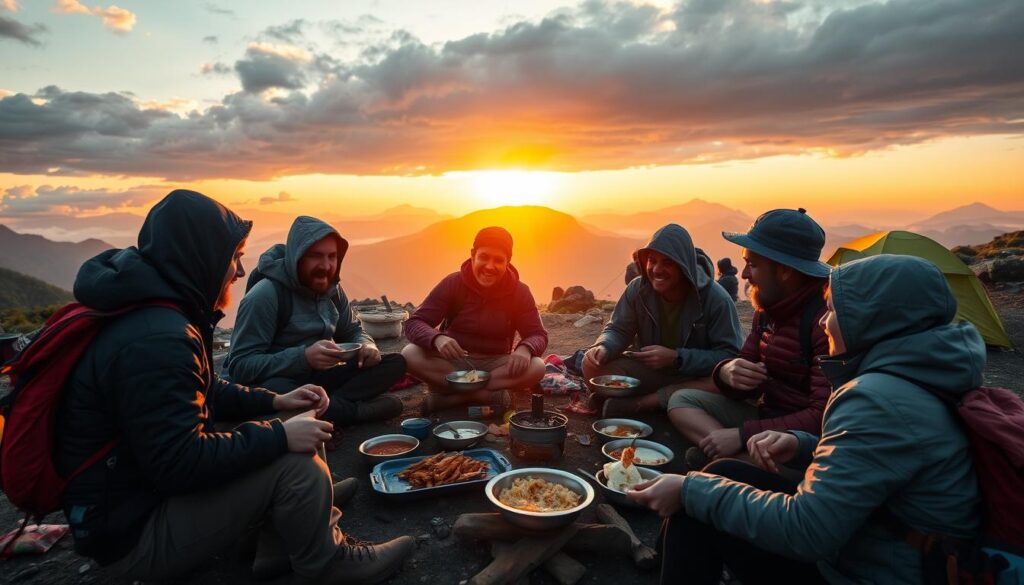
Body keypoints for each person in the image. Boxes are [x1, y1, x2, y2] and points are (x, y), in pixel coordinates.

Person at [56, 191, 414, 584]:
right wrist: (279, 433)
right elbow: (180, 463)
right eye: (234, 257)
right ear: (200, 256)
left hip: (143, 496)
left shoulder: (157, 315)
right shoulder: (157, 337)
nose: (240, 271)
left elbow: (206, 390)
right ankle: (328, 560)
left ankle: (281, 542)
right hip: (133, 535)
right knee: (296, 465)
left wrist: (278, 400)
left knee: (296, 412)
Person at [628, 254, 983, 584]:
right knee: (724, 473)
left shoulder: (877, 398)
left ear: (869, 319)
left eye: (833, 311)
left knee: (696, 505)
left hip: (869, 570)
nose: (824, 321)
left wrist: (689, 491)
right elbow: (878, 462)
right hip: (876, 541)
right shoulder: (921, 371)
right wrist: (803, 446)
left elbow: (807, 531)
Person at [670, 209, 831, 469]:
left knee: (728, 467)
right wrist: (727, 373)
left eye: (753, 264)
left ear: (785, 270)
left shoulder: (824, 322)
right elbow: (744, 364)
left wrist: (742, 435)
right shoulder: (767, 311)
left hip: (799, 440)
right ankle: (734, 460)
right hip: (765, 415)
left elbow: (823, 417)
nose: (744, 274)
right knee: (681, 401)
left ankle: (734, 464)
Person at [226, 216, 406, 426]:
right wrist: (303, 357)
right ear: (297, 257)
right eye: (315, 256)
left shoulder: (332, 289)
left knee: (396, 362)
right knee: (275, 389)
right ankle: (352, 412)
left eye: (332, 256)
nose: (326, 265)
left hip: (321, 378)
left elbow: (351, 330)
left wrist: (368, 345)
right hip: (283, 383)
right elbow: (240, 366)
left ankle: (327, 408)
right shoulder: (265, 295)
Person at [583, 224, 743, 418]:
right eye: (652, 260)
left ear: (683, 265)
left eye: (668, 263)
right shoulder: (638, 290)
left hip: (695, 376)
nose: (657, 270)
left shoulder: (715, 299)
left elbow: (729, 356)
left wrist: (677, 358)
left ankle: (640, 404)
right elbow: (618, 328)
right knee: (591, 364)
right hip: (652, 373)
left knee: (723, 381)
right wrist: (605, 346)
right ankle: (647, 401)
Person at [402, 226, 547, 414]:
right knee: (409, 353)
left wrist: (525, 348)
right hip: (454, 361)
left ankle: (455, 397)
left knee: (537, 367)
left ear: (508, 262)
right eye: (484, 257)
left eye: (498, 260)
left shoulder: (519, 292)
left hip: (496, 365)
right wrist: (437, 338)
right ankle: (485, 396)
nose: (489, 266)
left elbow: (538, 334)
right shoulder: (453, 283)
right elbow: (414, 322)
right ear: (473, 255)